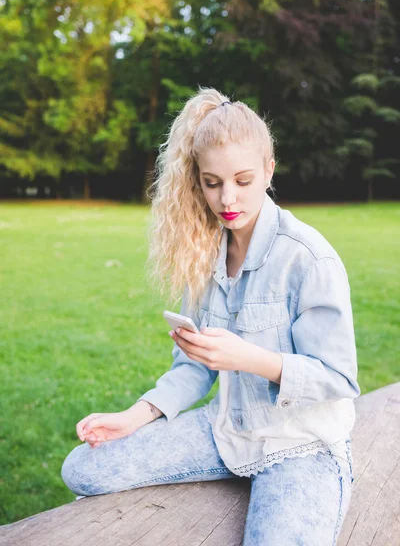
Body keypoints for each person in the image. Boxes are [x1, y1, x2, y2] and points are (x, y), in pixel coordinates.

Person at [61, 87, 360, 545]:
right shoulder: (205, 255)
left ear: (269, 169)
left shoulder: (308, 259)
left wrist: (247, 357)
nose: (227, 199)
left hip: (302, 447)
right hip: (226, 433)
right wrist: (135, 416)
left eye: (242, 180)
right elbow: (193, 368)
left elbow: (339, 378)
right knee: (83, 468)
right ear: (197, 180)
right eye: (212, 182)